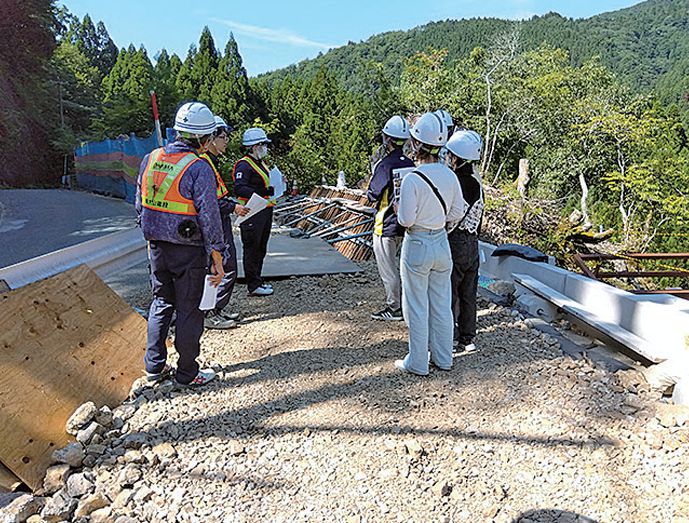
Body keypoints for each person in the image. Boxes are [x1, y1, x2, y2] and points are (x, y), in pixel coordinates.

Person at [136, 101, 224, 386]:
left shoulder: (150, 158)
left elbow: (140, 206)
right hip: (187, 249)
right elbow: (210, 217)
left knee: (161, 302)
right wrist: (217, 255)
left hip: (157, 247)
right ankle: (187, 373)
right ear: (203, 137)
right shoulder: (199, 168)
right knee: (189, 309)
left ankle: (153, 368)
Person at [395, 112, 466, 376]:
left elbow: (405, 219)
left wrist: (397, 207)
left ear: (416, 144)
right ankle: (444, 358)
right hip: (441, 242)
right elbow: (458, 212)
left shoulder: (412, 178)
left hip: (418, 243)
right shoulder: (450, 175)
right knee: (441, 303)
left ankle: (418, 362)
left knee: (416, 305)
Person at [200, 116, 250, 329]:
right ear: (210, 138)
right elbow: (210, 201)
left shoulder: (210, 161)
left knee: (223, 267)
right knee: (222, 267)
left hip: (219, 221)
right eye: (223, 136)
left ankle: (217, 308)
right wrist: (233, 207)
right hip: (214, 223)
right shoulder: (203, 163)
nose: (227, 140)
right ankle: (210, 313)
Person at [367, 115, 415, 321]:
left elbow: (372, 194)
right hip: (405, 224)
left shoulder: (384, 165)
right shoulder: (410, 163)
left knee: (388, 270)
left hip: (385, 225)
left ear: (387, 139)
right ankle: (408, 303)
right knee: (405, 267)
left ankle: (394, 306)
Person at [445, 129, 484, 353]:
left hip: (455, 242)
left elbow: (451, 216)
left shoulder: (455, 182)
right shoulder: (477, 183)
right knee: (469, 292)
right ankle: (468, 337)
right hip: (473, 242)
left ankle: (450, 335)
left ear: (456, 157)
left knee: (450, 291)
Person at [233, 128, 275, 297]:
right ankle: (253, 284)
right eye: (263, 144)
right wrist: (263, 190)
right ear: (255, 146)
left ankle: (257, 279)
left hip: (263, 210)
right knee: (252, 248)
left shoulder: (259, 163)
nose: (265, 147)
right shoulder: (244, 164)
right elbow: (239, 187)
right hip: (251, 212)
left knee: (260, 248)